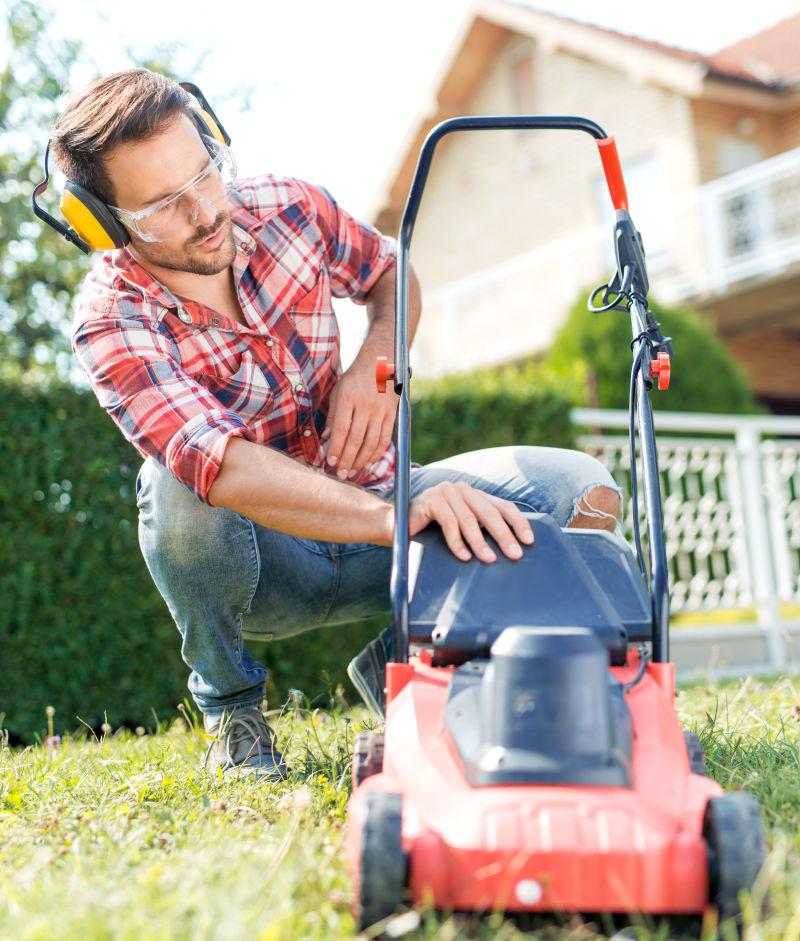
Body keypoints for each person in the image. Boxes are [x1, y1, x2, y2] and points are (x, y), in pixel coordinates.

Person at [52, 68, 623, 781]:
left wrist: (379, 357)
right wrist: (396, 517)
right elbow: (217, 463)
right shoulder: (110, 318)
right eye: (163, 206)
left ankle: (407, 660)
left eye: (205, 175)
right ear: (105, 226)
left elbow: (394, 271)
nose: (203, 212)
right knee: (173, 486)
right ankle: (235, 714)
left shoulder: (290, 208)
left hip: (390, 520)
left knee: (581, 489)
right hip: (268, 564)